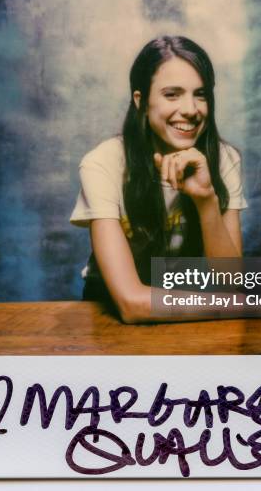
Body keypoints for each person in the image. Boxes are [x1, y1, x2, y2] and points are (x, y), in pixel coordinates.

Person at [70, 35, 251, 323]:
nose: (191, 110)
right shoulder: (102, 163)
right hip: (110, 313)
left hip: (190, 308)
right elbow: (131, 304)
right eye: (172, 94)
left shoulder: (224, 159)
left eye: (200, 94)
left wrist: (206, 200)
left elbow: (231, 283)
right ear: (141, 101)